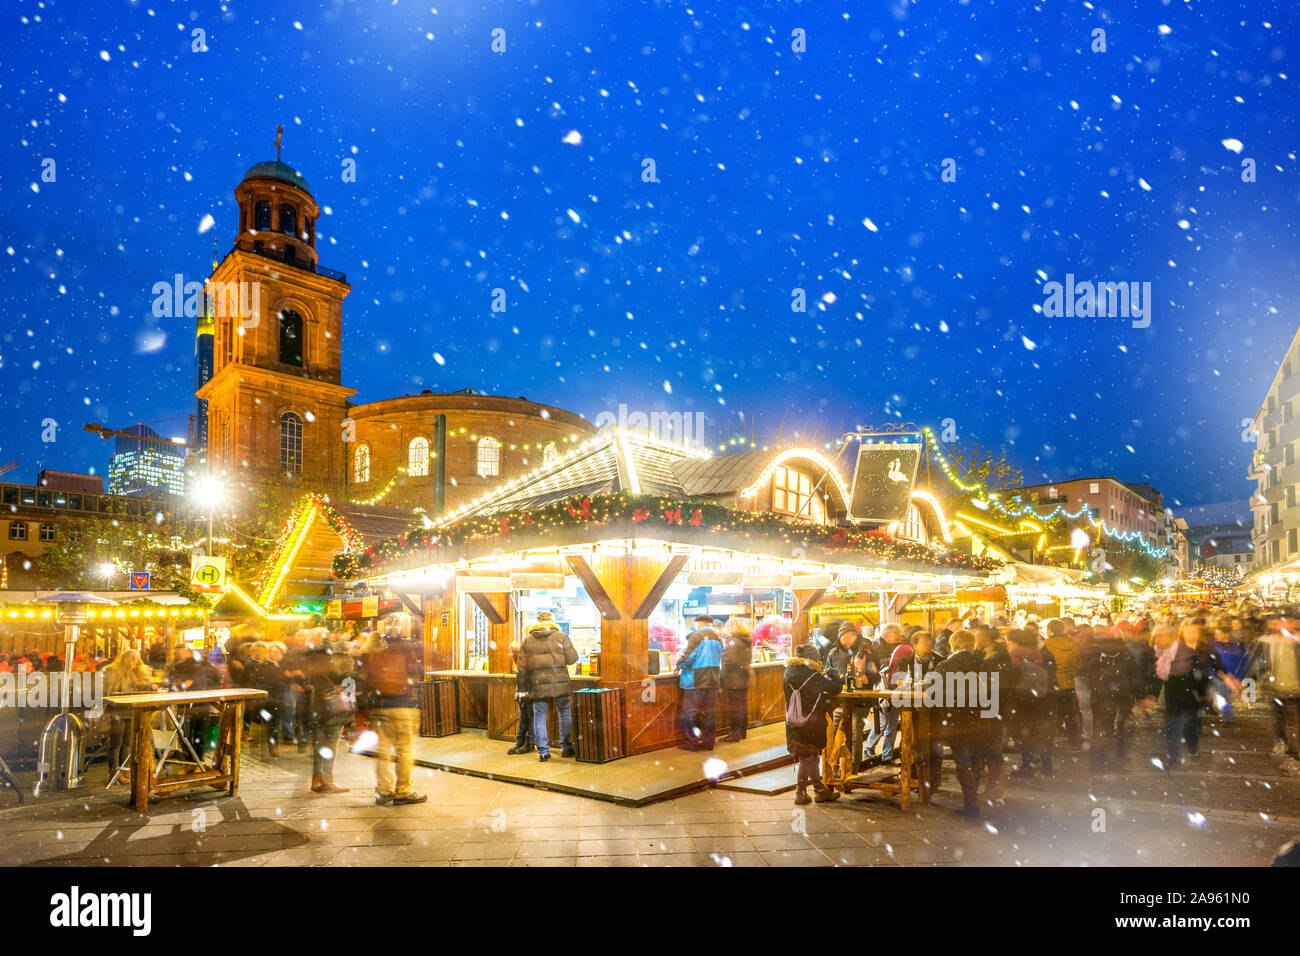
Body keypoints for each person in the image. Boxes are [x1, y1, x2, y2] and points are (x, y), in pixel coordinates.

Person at [936, 630, 999, 816]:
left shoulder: (945, 666)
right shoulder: (985, 664)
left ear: (952, 644)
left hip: (957, 720)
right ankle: (974, 800)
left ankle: (970, 803)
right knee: (977, 758)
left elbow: (935, 695)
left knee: (963, 759)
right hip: (981, 718)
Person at [360, 632, 426, 804]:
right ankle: (403, 791)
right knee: (404, 750)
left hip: (378, 707)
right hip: (399, 706)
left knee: (383, 751)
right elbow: (416, 675)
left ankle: (383, 790)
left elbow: (363, 679)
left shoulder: (374, 657)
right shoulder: (404, 655)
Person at [782, 643, 843, 805]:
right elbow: (835, 688)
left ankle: (819, 790)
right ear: (811, 659)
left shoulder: (787, 672)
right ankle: (800, 793)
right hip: (811, 722)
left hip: (794, 721)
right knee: (808, 757)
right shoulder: (812, 675)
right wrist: (833, 673)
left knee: (812, 756)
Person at [1080, 624, 1141, 777]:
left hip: (1101, 698)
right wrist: (1139, 696)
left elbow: (1086, 675)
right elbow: (1135, 677)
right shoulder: (1125, 654)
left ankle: (1098, 767)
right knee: (1120, 731)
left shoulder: (1095, 656)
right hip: (1121, 698)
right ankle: (1117, 762)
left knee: (1101, 730)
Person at [517, 618, 579, 762]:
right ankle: (565, 747)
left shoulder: (528, 640)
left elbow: (521, 668)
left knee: (539, 715)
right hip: (559, 681)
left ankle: (543, 752)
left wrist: (521, 688)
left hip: (537, 683)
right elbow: (572, 659)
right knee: (564, 712)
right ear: (552, 624)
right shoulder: (561, 637)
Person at [303, 634, 356, 794]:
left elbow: (307, 683)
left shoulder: (313, 661)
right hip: (333, 706)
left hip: (317, 705)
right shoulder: (343, 660)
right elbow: (348, 683)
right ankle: (327, 780)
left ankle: (317, 779)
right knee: (331, 742)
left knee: (319, 743)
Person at [1006, 628, 1054, 778]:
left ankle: (1028, 766)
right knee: (1041, 733)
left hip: (1023, 699)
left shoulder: (1014, 654)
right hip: (1042, 698)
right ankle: (1047, 765)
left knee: (1025, 734)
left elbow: (1011, 678)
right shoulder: (1039, 654)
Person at [102, 649, 156, 779]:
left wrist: (151, 687)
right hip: (118, 711)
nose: (133, 661)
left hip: (132, 711)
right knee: (116, 743)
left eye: (135, 658)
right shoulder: (113, 671)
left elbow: (144, 686)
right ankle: (114, 771)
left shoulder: (140, 672)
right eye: (130, 658)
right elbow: (108, 690)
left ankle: (125, 769)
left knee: (127, 743)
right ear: (124, 659)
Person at [676, 614, 723, 751]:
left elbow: (689, 657)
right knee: (709, 714)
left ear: (700, 623)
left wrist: (679, 664)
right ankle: (709, 743)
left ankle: (692, 743)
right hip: (713, 679)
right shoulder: (718, 638)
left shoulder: (696, 636)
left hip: (696, 680)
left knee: (690, 713)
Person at [1257, 613, 1300, 756]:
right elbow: (1261, 663)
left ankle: (1294, 751)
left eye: (1288, 622)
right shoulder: (1270, 642)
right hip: (1276, 688)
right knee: (1278, 719)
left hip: (1297, 689)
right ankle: (1282, 742)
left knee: (1296, 721)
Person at [1044, 618, 1081, 748]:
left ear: (1049, 630)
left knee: (1051, 714)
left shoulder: (1047, 644)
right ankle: (1074, 742)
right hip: (1069, 682)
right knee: (1069, 713)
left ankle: (1048, 742)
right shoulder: (1072, 642)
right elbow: (1077, 658)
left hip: (1054, 682)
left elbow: (1045, 663)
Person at [720, 618, 754, 742]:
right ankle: (742, 732)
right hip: (744, 677)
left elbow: (729, 661)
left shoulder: (733, 640)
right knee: (742, 706)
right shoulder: (746, 640)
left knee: (736, 708)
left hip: (734, 679)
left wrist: (723, 671)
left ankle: (734, 735)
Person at [506, 633, 535, 755]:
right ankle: (520, 742)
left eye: (514, 652)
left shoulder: (528, 660)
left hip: (529, 692)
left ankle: (529, 743)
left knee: (530, 718)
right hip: (523, 693)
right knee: (524, 718)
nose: (512, 655)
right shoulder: (520, 662)